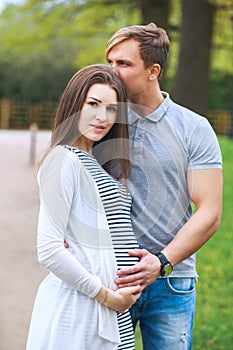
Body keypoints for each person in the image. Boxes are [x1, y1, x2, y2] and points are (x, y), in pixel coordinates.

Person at [105, 23, 223, 349]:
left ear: (153, 71)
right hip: (108, 278)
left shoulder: (193, 128)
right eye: (110, 62)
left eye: (124, 64)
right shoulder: (100, 123)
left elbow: (210, 211)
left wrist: (161, 261)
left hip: (172, 281)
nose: (112, 72)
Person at [26, 64, 142, 350]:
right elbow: (50, 249)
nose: (102, 117)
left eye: (112, 109)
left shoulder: (93, 162)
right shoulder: (62, 160)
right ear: (74, 103)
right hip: (82, 308)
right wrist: (106, 295)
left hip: (110, 310)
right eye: (93, 104)